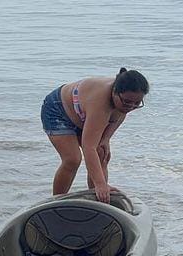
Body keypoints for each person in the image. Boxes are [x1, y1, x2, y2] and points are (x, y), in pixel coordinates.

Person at [40, 68, 148, 201]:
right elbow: (88, 147)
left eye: (136, 103)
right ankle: (56, 201)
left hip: (83, 116)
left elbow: (117, 118)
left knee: (101, 153)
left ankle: (98, 199)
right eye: (127, 102)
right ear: (115, 92)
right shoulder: (100, 101)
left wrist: (106, 139)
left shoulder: (124, 102)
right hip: (58, 109)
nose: (131, 107)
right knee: (72, 159)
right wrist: (100, 184)